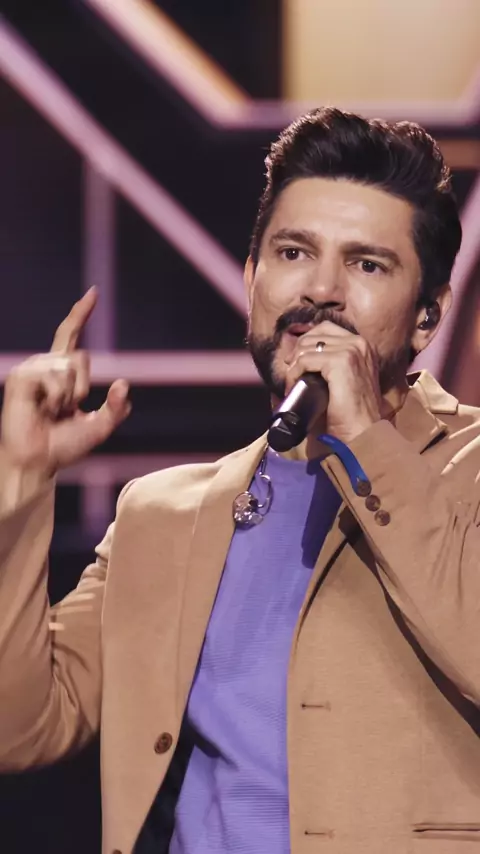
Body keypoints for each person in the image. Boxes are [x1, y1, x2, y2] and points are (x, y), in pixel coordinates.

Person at [0, 106, 479, 854]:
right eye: (293, 252)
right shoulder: (162, 514)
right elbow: (21, 729)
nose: (321, 290)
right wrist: (22, 485)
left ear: (427, 317)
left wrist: (365, 438)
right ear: (252, 278)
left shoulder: (468, 467)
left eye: (367, 265)